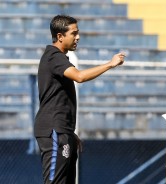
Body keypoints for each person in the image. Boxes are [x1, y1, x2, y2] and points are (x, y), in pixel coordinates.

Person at [34, 15, 125, 184]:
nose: (78, 37)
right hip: (54, 131)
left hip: (62, 131)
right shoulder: (54, 57)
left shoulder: (58, 58)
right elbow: (80, 77)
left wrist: (68, 132)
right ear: (60, 36)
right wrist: (109, 64)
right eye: (74, 33)